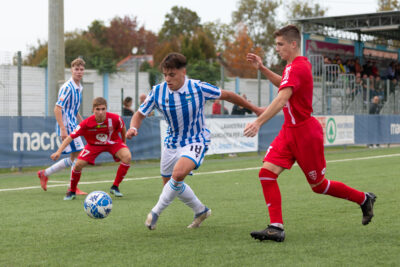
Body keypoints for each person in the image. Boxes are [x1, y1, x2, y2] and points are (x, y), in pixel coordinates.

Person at [245, 25, 376, 243]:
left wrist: (259, 122)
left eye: (280, 44)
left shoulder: (297, 67)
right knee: (266, 173)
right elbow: (284, 85)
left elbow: (282, 97)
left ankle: (364, 199)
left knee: (319, 186)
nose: (277, 48)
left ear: (293, 44)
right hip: (289, 132)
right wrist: (263, 68)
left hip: (305, 134)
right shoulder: (292, 66)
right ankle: (276, 227)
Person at [126, 52, 263, 230]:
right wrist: (133, 127)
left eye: (172, 74)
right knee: (171, 185)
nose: (167, 79)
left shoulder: (197, 88)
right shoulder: (158, 91)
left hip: (196, 139)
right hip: (171, 142)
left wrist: (255, 109)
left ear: (183, 72)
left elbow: (228, 95)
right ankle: (200, 210)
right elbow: (139, 113)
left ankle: (155, 212)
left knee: (178, 174)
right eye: (165, 74)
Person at [51, 97, 131, 200]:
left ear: (106, 109)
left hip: (113, 142)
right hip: (93, 145)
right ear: (93, 110)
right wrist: (59, 151)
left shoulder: (115, 118)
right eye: (98, 109)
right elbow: (70, 137)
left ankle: (115, 187)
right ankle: (72, 191)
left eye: (103, 109)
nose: (101, 112)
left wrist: (123, 144)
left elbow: (123, 128)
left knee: (127, 156)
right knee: (78, 165)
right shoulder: (86, 123)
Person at [37, 58, 86, 193]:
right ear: (71, 70)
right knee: (79, 156)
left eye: (81, 69)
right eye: (76, 69)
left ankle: (44, 174)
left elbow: (74, 110)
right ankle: (73, 187)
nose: (79, 72)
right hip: (66, 126)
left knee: (74, 158)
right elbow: (57, 109)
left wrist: (83, 124)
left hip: (73, 125)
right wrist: (63, 129)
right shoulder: (67, 87)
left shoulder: (79, 87)